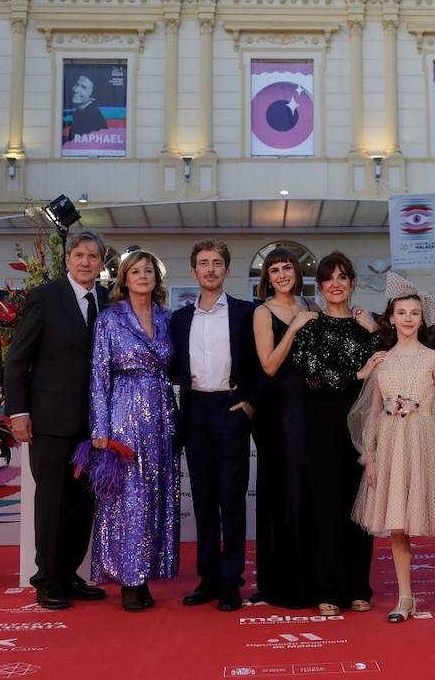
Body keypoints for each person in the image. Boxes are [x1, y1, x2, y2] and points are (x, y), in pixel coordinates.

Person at [349, 274, 435, 625]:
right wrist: (369, 458)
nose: (407, 318)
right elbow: (371, 412)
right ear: (391, 318)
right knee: (397, 527)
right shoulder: (381, 360)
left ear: (422, 319)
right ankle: (406, 598)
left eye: (414, 313)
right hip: (391, 448)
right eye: (401, 312)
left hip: (427, 446)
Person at [3, 231, 111, 610]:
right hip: (49, 421)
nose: (85, 262)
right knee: (51, 501)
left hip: (94, 426)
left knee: (83, 504)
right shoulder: (45, 297)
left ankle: (69, 574)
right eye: (79, 255)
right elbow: (18, 358)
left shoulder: (107, 302)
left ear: (101, 263)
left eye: (93, 256)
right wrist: (19, 412)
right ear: (67, 259)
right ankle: (46, 579)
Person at [171, 240, 262, 612]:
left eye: (217, 263)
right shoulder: (178, 319)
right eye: (203, 263)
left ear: (227, 270)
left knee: (231, 499)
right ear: (193, 271)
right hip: (194, 410)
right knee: (205, 500)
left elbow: (261, 360)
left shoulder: (245, 312)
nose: (210, 269)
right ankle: (208, 578)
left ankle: (231, 581)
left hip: (230, 409)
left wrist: (251, 402)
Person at [86, 248, 179, 612]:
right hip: (123, 411)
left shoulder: (168, 318)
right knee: (126, 497)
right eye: (135, 271)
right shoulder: (109, 320)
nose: (143, 276)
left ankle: (148, 572)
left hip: (160, 414)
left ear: (156, 279)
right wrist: (101, 428)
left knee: (156, 494)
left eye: (149, 271)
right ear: (123, 279)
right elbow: (99, 373)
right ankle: (128, 578)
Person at [288, 251, 379, 616]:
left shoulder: (365, 326)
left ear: (352, 282)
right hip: (323, 423)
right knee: (326, 506)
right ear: (320, 285)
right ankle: (328, 587)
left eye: (343, 277)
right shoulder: (309, 325)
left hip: (364, 424)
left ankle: (360, 586)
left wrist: (373, 330)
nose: (336, 283)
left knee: (361, 507)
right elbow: (312, 375)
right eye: (329, 278)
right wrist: (355, 375)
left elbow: (384, 367)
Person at [251, 246, 317, 608]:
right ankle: (281, 582)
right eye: (274, 270)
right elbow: (269, 365)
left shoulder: (311, 306)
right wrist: (292, 328)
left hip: (310, 408)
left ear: (296, 272)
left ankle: (310, 576)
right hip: (279, 412)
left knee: (307, 490)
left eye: (286, 268)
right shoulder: (263, 313)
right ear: (267, 278)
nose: (281, 275)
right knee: (284, 491)